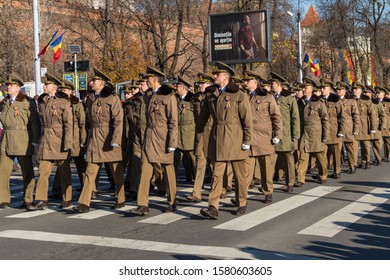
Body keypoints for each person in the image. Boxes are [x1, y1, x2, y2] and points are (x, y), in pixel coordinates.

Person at [197, 61, 252, 219]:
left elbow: (247, 120)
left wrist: (247, 140)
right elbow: (203, 118)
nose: (214, 76)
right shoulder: (212, 95)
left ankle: (242, 202)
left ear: (226, 77)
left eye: (217, 74)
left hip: (235, 138)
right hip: (218, 138)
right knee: (216, 174)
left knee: (239, 175)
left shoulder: (239, 95)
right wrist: (198, 133)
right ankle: (213, 207)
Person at [74, 68, 125, 212]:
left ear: (101, 83)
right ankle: (84, 202)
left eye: (93, 81)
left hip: (108, 137)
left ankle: (120, 198)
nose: (91, 83)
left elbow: (118, 120)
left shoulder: (112, 98)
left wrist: (116, 139)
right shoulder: (90, 99)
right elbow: (88, 122)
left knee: (116, 171)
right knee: (90, 170)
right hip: (94, 137)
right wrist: (85, 138)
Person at [130, 66, 178, 216]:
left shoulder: (168, 97)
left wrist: (172, 143)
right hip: (150, 137)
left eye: (148, 79)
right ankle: (142, 204)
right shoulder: (150, 96)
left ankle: (172, 201)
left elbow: (173, 122)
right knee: (145, 170)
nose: (146, 81)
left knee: (168, 171)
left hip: (163, 138)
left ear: (155, 79)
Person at [29, 73, 73, 210]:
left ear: (53, 87)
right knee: (43, 172)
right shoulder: (43, 101)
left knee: (64, 172)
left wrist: (67, 143)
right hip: (46, 139)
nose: (44, 86)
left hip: (59, 140)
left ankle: (67, 198)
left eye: (46, 84)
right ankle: (42, 200)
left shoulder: (63, 102)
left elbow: (68, 124)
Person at [0, 74, 40, 209]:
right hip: (6, 137)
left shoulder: (26, 102)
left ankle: (28, 199)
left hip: (22, 137)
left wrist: (35, 141)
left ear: (17, 88)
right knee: (3, 171)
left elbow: (34, 122)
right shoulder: (5, 102)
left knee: (27, 171)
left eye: (10, 85)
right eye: (7, 85)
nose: (7, 87)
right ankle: (3, 199)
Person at [243, 70, 282, 203]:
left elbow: (276, 117)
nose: (244, 83)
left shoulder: (267, 97)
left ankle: (268, 192)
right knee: (245, 170)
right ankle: (241, 196)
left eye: (247, 81)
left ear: (254, 82)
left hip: (264, 139)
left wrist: (277, 134)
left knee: (265, 169)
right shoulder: (243, 96)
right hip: (247, 139)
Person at [295, 77, 329, 187]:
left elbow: (325, 120)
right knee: (303, 157)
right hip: (304, 134)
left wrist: (325, 135)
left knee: (320, 157)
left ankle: (323, 175)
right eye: (303, 88)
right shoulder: (300, 102)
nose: (304, 90)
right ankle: (301, 179)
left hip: (316, 134)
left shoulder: (318, 103)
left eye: (306, 88)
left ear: (311, 90)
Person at [270, 72, 300, 192]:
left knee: (288, 160)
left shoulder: (289, 99)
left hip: (286, 134)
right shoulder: (270, 97)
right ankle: (268, 184)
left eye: (272, 83)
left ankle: (290, 182)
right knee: (271, 160)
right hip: (272, 134)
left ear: (278, 84)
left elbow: (295, 118)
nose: (270, 85)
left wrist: (295, 135)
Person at [186, 73, 214, 202]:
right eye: (200, 83)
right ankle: (196, 192)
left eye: (203, 83)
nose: (200, 85)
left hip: (213, 133)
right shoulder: (195, 98)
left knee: (215, 163)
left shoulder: (214, 96)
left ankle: (221, 189)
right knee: (199, 162)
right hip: (201, 134)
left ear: (209, 84)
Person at [320, 78, 345, 179]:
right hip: (322, 130)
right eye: (321, 88)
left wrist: (341, 131)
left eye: (324, 88)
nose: (322, 90)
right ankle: (323, 174)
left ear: (329, 89)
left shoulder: (336, 101)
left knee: (336, 154)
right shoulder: (319, 100)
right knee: (322, 154)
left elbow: (342, 117)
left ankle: (337, 171)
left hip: (334, 130)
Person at [336, 81, 360, 174]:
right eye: (337, 90)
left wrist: (356, 129)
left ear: (345, 91)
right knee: (337, 149)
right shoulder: (334, 100)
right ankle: (337, 168)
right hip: (337, 128)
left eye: (340, 90)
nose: (338, 91)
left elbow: (356, 116)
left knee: (350, 149)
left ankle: (352, 166)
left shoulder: (351, 101)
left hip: (348, 128)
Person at [353, 82, 377, 169]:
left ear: (360, 91)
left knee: (365, 145)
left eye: (356, 89)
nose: (354, 91)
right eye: (353, 89)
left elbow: (372, 114)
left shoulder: (366, 100)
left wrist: (373, 127)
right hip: (353, 126)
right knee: (354, 146)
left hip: (364, 125)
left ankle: (366, 161)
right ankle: (353, 164)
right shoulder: (351, 99)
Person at [377, 86, 390, 162]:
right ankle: (378, 157)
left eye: (379, 93)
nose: (377, 94)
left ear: (383, 94)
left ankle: (388, 155)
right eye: (377, 93)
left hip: (388, 124)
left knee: (387, 141)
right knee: (378, 142)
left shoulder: (388, 103)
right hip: (378, 124)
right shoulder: (376, 102)